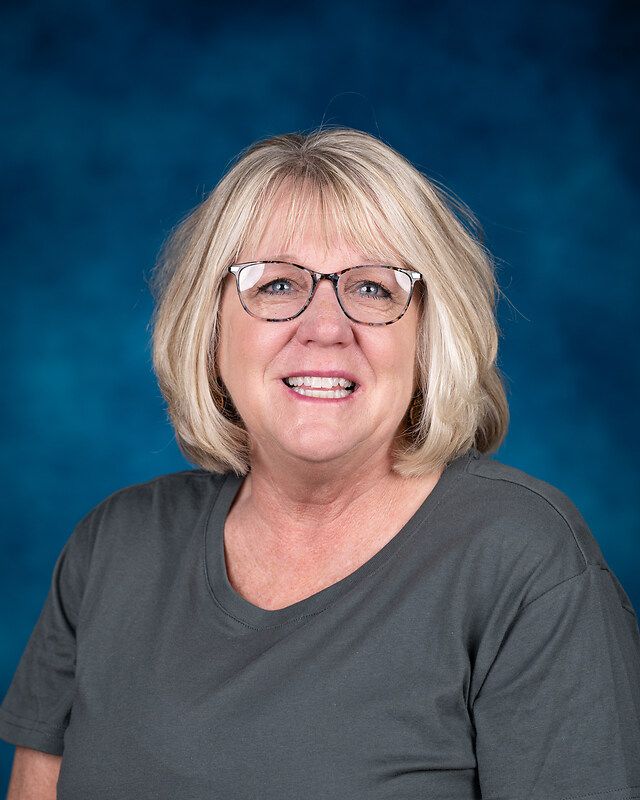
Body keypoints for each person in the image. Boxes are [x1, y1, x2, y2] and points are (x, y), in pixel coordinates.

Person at [1, 127, 639, 800]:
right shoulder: (112, 548)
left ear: (428, 331)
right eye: (276, 284)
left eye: (372, 289)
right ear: (209, 322)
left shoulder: (522, 560)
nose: (326, 326)